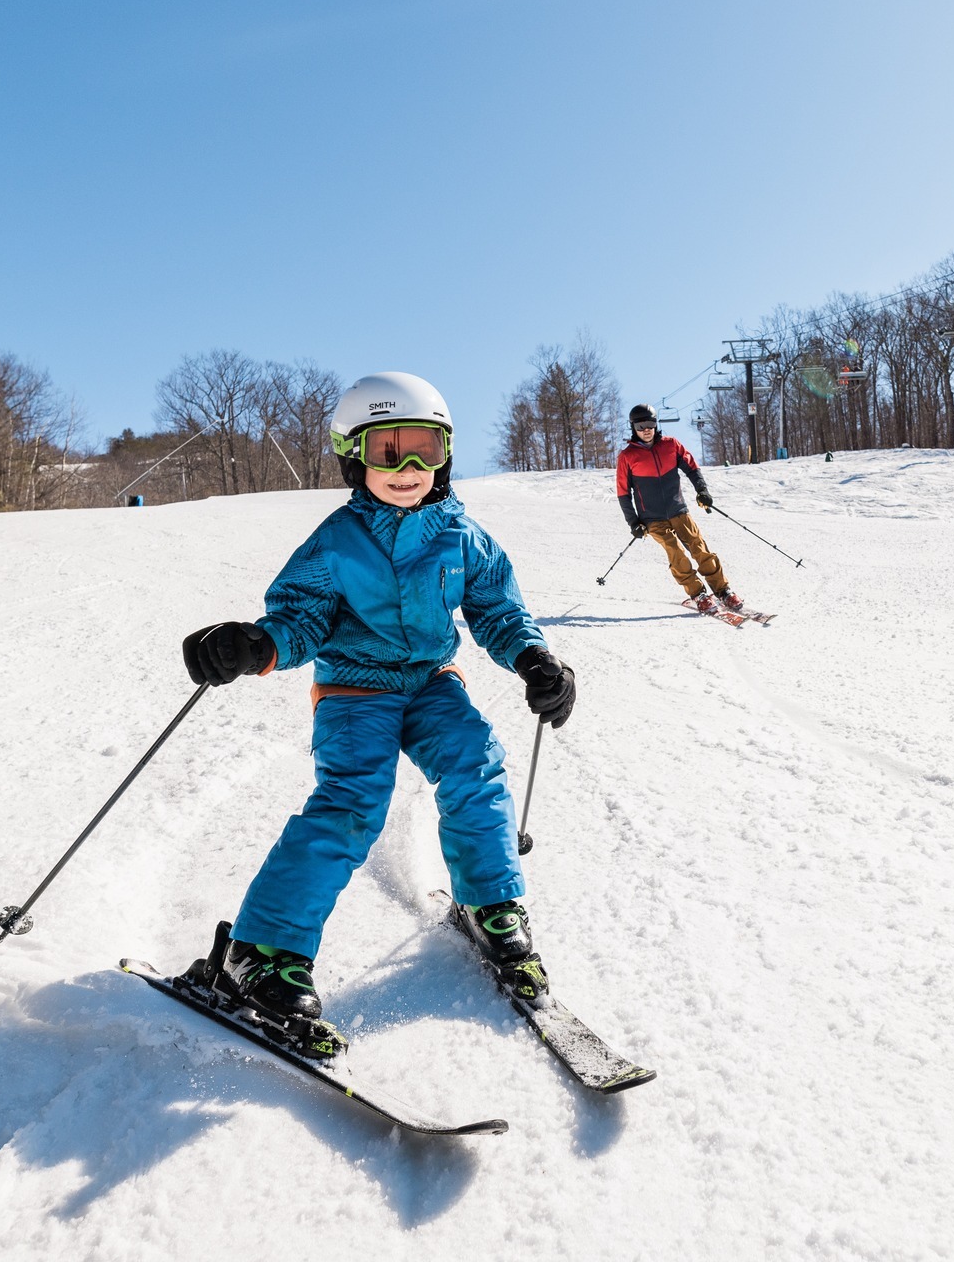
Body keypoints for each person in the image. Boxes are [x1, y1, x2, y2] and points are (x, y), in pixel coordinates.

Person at [180, 372, 575, 1046]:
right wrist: (256, 645)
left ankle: (491, 904)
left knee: (474, 763)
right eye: (389, 452)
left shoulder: (460, 535)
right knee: (355, 799)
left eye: (425, 449)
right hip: (354, 689)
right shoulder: (335, 543)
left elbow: (498, 610)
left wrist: (534, 658)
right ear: (355, 457)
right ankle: (263, 952)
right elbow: (299, 619)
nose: (409, 469)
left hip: (428, 681)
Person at [615, 403, 744, 614]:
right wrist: (633, 522)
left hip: (678, 510)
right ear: (633, 428)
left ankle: (723, 590)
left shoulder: (671, 445)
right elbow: (622, 492)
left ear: (655, 424)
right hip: (651, 518)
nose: (646, 429)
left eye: (650, 424)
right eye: (641, 425)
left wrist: (702, 491)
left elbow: (692, 468)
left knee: (699, 548)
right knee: (675, 552)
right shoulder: (627, 456)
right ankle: (698, 593)